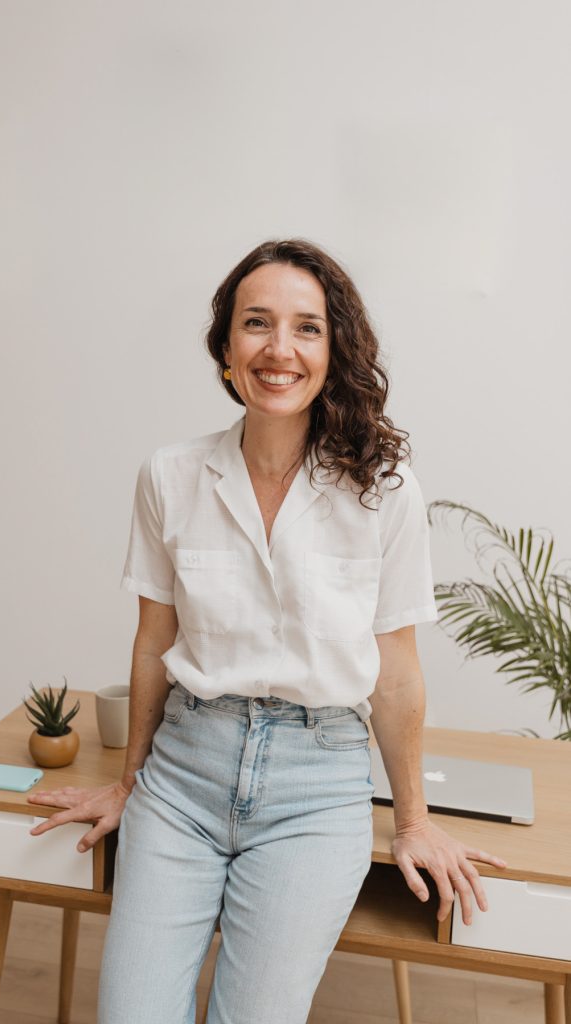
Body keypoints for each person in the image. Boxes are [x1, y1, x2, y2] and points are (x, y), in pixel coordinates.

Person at [27, 238, 507, 1024]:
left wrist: (413, 820)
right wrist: (131, 781)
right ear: (224, 347)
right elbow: (152, 646)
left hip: (315, 790)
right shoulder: (171, 475)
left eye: (306, 328)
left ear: (332, 350)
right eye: (256, 323)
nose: (279, 349)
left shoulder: (384, 491)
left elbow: (394, 673)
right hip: (182, 777)